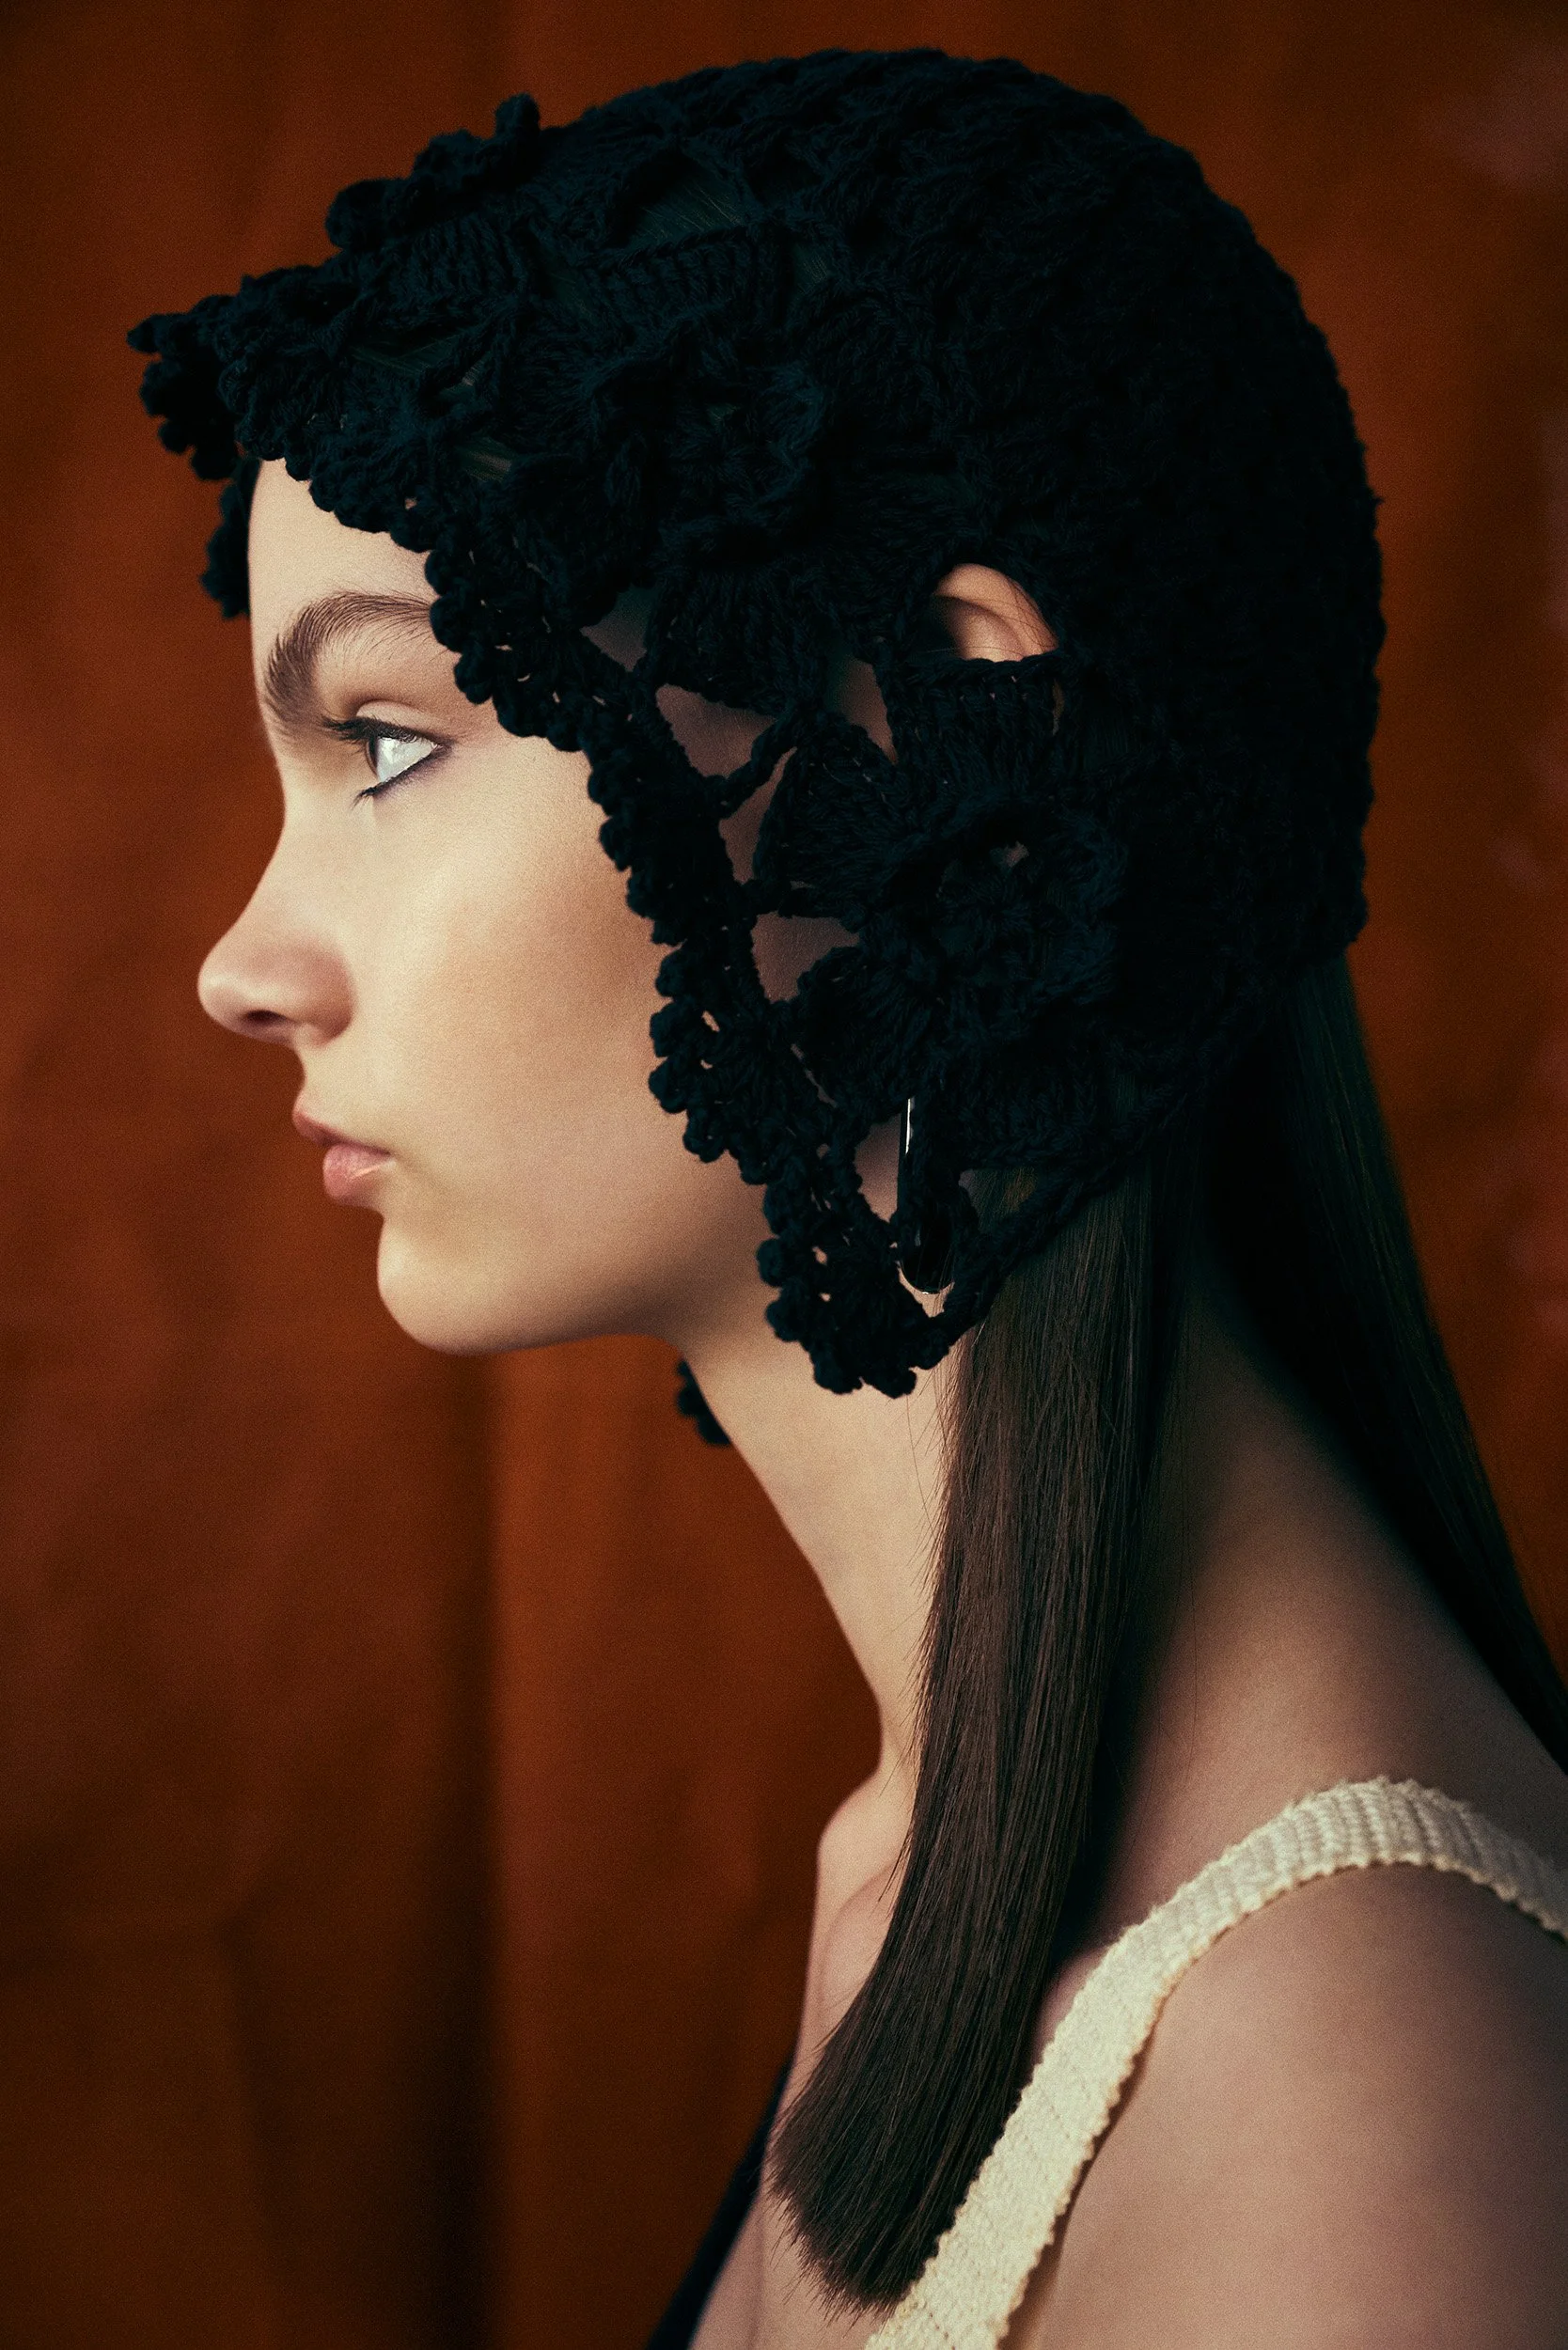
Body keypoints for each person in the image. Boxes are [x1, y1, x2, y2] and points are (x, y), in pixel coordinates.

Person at [132, 50, 1568, 2350]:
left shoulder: (1351, 2101)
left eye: (390, 738)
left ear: (934, 736)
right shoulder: (938, 1868)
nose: (244, 963)